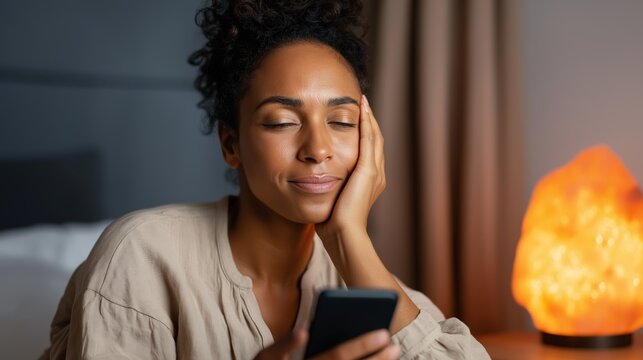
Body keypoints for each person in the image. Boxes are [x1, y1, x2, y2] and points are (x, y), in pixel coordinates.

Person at [41, 0, 490, 359]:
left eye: (341, 121)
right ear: (231, 144)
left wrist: (350, 234)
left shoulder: (358, 275)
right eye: (280, 121)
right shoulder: (142, 255)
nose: (317, 148)